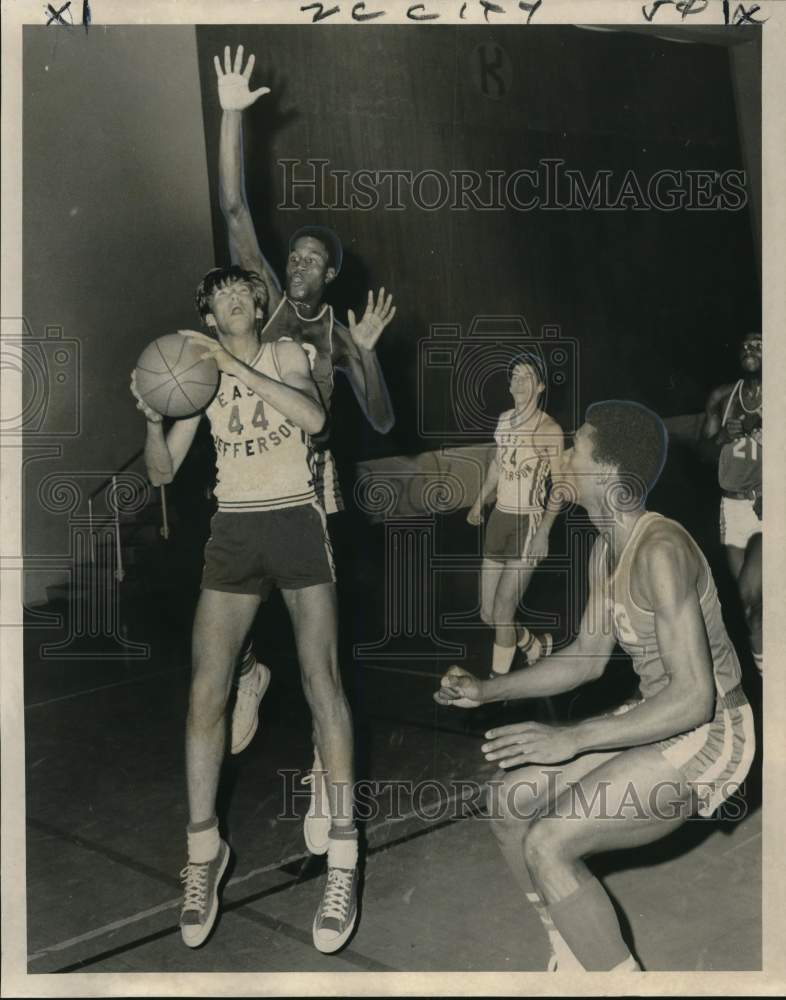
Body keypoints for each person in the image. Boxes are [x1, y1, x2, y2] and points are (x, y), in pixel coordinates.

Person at [435, 401, 754, 971]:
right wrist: (487, 691)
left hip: (713, 731)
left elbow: (694, 697)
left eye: (575, 445)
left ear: (606, 472)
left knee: (550, 841)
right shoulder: (606, 546)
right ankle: (577, 954)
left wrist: (576, 737)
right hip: (657, 715)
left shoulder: (661, 551)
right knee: (509, 804)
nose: (562, 454)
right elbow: (585, 658)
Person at [131, 265, 359, 954]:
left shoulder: (285, 352)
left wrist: (233, 364)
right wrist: (153, 417)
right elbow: (163, 471)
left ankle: (345, 858)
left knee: (323, 680)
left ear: (259, 304)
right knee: (205, 689)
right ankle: (204, 854)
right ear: (206, 316)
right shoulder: (199, 372)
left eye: (241, 291)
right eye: (216, 297)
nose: (231, 298)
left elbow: (316, 420)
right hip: (233, 528)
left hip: (293, 518)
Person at [213, 44, 396, 763]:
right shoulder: (267, 297)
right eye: (294, 257)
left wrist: (370, 354)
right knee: (240, 590)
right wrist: (231, 118)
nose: (299, 264)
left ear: (332, 274)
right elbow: (233, 205)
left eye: (313, 259)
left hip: (312, 479)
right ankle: (251, 673)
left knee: (318, 635)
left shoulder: (341, 336)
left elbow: (381, 418)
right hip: (250, 458)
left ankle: (328, 764)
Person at [466, 353, 563, 678]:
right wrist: (480, 502)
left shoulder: (550, 429)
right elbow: (497, 466)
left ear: (539, 386)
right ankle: (533, 645)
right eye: (515, 376)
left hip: (528, 522)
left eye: (527, 377)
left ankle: (498, 686)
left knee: (504, 611)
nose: (519, 382)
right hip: (499, 519)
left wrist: (544, 532)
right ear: (509, 386)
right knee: (488, 614)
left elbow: (560, 487)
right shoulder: (505, 419)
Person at [703, 331, 762, 674]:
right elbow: (703, 454)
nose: (749, 349)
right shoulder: (722, 397)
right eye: (744, 345)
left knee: (754, 600)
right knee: (749, 609)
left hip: (768, 506)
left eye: (758, 344)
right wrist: (723, 437)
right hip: (733, 508)